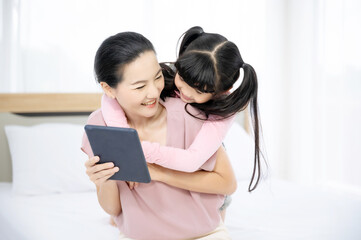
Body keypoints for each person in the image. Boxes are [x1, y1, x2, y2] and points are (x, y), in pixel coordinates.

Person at [82, 31, 237, 239]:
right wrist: (104, 181)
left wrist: (158, 173)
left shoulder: (189, 112)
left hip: (203, 234)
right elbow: (113, 208)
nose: (154, 92)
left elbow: (227, 183)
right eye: (139, 86)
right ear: (108, 89)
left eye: (157, 77)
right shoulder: (100, 126)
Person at [101, 26, 262, 192]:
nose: (185, 92)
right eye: (183, 79)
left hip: (202, 171)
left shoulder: (223, 112)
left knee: (215, 210)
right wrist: (123, 136)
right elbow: (108, 97)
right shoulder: (163, 75)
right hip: (168, 173)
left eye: (199, 91)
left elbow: (191, 162)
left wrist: (134, 149)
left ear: (221, 91)